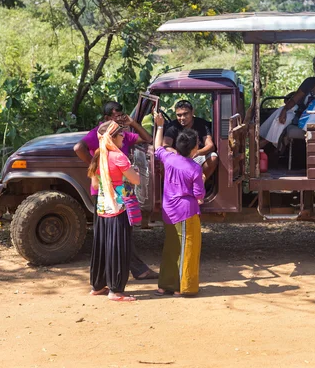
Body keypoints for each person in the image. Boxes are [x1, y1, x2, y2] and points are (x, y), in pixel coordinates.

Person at [73, 101, 158, 280]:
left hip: (117, 193)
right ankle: (123, 273)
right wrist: (96, 167)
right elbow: (78, 147)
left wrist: (133, 123)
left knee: (113, 234)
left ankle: (109, 276)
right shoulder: (103, 135)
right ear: (106, 118)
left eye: (121, 114)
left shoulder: (122, 134)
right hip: (110, 194)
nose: (120, 118)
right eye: (115, 115)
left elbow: (148, 139)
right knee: (114, 234)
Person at [153, 112, 205, 297]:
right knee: (187, 248)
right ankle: (183, 287)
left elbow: (157, 147)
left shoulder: (169, 158)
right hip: (186, 212)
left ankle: (164, 285)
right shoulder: (195, 168)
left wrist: (160, 126)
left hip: (169, 210)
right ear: (194, 148)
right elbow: (199, 195)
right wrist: (202, 181)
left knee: (171, 247)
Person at [88, 121, 140, 302]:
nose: (123, 136)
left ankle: (97, 285)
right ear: (111, 138)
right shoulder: (119, 157)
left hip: (102, 207)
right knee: (118, 247)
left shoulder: (98, 155)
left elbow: (95, 183)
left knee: (102, 245)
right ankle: (116, 291)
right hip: (118, 207)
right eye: (120, 134)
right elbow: (136, 180)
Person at [260, 60, 315, 147]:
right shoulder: (310, 82)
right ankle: (268, 143)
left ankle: (265, 143)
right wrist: (284, 110)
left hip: (311, 118)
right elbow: (295, 99)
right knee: (280, 115)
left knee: (281, 121)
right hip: (298, 112)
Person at [163, 100, 218, 182]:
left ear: (192, 112)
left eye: (185, 114)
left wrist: (196, 153)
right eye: (179, 115)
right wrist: (179, 155)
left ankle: (199, 183)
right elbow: (166, 145)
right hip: (178, 158)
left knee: (213, 157)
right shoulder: (172, 127)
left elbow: (210, 145)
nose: (182, 118)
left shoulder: (201, 124)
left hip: (197, 156)